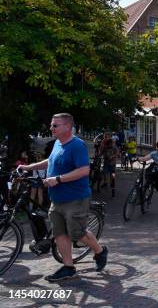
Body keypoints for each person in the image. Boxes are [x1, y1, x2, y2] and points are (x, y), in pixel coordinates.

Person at [17, 113, 108, 282]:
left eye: (55, 125)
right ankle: (68, 267)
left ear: (67, 126)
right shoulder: (58, 143)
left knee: (78, 233)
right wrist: (29, 167)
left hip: (75, 198)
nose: (51, 128)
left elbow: (83, 170)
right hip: (57, 198)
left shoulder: (77, 145)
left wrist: (57, 179)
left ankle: (100, 251)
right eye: (51, 125)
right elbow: (50, 161)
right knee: (59, 233)